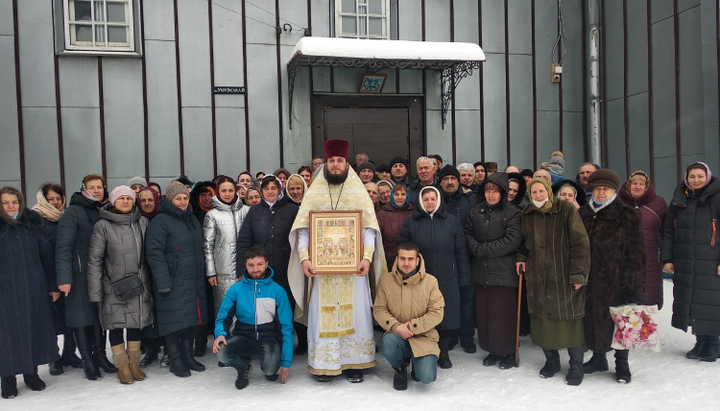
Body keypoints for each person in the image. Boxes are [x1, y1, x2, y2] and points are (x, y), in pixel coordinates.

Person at [288, 139, 384, 383]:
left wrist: (366, 257)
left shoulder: (358, 191)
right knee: (324, 314)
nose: (336, 165)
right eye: (331, 161)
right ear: (326, 163)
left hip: (354, 271)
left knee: (357, 314)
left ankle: (354, 362)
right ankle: (325, 363)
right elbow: (304, 230)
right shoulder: (315, 192)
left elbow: (368, 229)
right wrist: (304, 258)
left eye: (340, 160)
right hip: (322, 271)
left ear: (346, 162)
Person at [516, 177, 590, 386]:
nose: (538, 195)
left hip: (564, 276)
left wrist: (579, 274)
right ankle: (552, 361)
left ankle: (576, 364)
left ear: (549, 191)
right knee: (542, 321)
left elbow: (581, 243)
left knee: (571, 320)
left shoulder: (565, 210)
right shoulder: (526, 214)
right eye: (534, 192)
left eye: (541, 191)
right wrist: (521, 258)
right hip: (538, 277)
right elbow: (523, 242)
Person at [579, 169, 646, 383]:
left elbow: (637, 253)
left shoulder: (627, 214)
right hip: (589, 281)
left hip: (616, 281)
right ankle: (599, 358)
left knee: (620, 323)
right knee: (592, 320)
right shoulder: (583, 213)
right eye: (597, 188)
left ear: (614, 191)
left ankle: (622, 364)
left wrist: (633, 285)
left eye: (605, 189)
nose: (600, 193)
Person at [87, 186, 154, 384]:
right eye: (121, 198)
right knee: (116, 326)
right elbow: (94, 260)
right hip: (113, 285)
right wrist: (95, 291)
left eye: (129, 198)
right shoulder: (103, 225)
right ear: (113, 201)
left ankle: (134, 363)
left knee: (136, 324)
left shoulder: (142, 221)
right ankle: (122, 365)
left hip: (139, 284)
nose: (125, 202)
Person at [398, 186, 471, 369]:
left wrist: (463, 276)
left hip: (447, 277)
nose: (430, 202)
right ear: (421, 202)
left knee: (445, 316)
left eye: (433, 199)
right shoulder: (411, 223)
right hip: (420, 279)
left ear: (438, 201)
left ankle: (443, 352)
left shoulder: (451, 222)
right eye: (426, 199)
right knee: (422, 315)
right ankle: (424, 351)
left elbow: (461, 251)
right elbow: (403, 251)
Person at [56, 174, 117, 380]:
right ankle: (87, 361)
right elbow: (63, 247)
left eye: (100, 187)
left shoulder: (105, 210)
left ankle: (100, 356)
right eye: (92, 187)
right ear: (84, 189)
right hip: (78, 274)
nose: (97, 190)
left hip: (101, 273)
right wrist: (64, 277)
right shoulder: (73, 212)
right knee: (81, 317)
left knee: (99, 317)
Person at [0, 187, 58, 399]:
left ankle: (31, 374)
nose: (10, 206)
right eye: (5, 202)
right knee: (7, 337)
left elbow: (47, 258)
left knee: (33, 331)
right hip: (4, 294)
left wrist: (52, 286)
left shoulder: (33, 226)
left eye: (14, 202)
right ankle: (7, 378)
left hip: (34, 289)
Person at [145, 181, 208, 378]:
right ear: (170, 200)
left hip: (192, 279)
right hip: (172, 280)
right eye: (178, 198)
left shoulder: (191, 219)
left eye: (185, 198)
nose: (182, 202)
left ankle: (188, 356)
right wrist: (163, 280)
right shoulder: (161, 221)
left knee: (191, 319)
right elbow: (154, 253)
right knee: (172, 321)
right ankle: (175, 359)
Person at [236, 175, 302, 354]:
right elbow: (244, 241)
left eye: (274, 187)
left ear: (280, 189)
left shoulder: (292, 209)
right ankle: (264, 345)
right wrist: (242, 271)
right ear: (261, 191)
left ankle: (282, 346)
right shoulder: (254, 212)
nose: (270, 191)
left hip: (286, 268)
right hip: (260, 271)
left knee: (284, 307)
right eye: (266, 188)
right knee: (263, 308)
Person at [662, 161, 720, 361]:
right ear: (687, 178)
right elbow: (669, 231)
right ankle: (700, 341)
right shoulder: (680, 198)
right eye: (692, 176)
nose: (696, 180)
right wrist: (667, 258)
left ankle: (713, 342)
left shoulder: (717, 197)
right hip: (686, 259)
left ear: (708, 176)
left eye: (700, 176)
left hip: (711, 259)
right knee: (693, 300)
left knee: (711, 300)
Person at [213, 247, 293, 389]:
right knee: (220, 351)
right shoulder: (236, 290)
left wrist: (286, 361)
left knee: (270, 372)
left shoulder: (278, 291)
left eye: (259, 264)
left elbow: (287, 327)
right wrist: (220, 334)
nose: (255, 269)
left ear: (266, 264)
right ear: (245, 266)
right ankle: (243, 367)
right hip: (243, 336)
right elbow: (222, 318)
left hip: (268, 337)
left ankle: (271, 360)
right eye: (251, 265)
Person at [465, 173, 523, 369]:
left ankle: (507, 352)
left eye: (495, 192)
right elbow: (468, 232)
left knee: (503, 315)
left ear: (503, 193)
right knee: (486, 314)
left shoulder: (513, 212)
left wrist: (482, 250)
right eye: (488, 191)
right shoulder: (476, 211)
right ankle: (492, 349)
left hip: (503, 274)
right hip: (481, 273)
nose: (491, 195)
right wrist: (475, 247)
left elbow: (512, 240)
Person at [374, 242, 444, 390]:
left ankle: (418, 366)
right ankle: (400, 369)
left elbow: (437, 313)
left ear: (417, 260)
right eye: (403, 258)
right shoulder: (386, 281)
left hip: (424, 337)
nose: (406, 263)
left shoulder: (430, 282)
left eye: (410, 259)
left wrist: (412, 326)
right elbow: (379, 309)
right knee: (388, 342)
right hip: (397, 335)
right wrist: (396, 327)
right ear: (397, 259)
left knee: (426, 377)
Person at [32, 183, 82, 376]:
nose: (55, 202)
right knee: (50, 321)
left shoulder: (67, 218)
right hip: (48, 278)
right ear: (43, 199)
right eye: (51, 199)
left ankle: (70, 353)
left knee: (71, 318)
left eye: (58, 198)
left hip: (69, 276)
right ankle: (54, 358)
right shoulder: (35, 221)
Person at [438, 165, 476, 353]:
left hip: (466, 256)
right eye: (446, 179)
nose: (450, 182)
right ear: (440, 181)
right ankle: (450, 335)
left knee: (466, 299)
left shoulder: (470, 200)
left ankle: (467, 337)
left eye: (453, 178)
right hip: (443, 258)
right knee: (447, 299)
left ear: (458, 180)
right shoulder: (436, 200)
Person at [618, 170, 668, 308]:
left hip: (651, 258)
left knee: (650, 298)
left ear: (647, 187)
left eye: (642, 184)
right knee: (624, 299)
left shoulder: (659, 203)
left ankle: (648, 327)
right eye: (634, 183)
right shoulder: (618, 202)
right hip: (623, 258)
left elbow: (667, 231)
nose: (638, 186)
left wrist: (667, 257)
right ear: (628, 185)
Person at [203, 176, 250, 317]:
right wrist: (211, 272)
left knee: (245, 308)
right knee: (225, 308)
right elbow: (207, 245)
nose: (228, 194)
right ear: (218, 192)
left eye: (231, 190)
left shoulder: (246, 211)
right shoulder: (212, 215)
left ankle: (243, 338)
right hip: (223, 272)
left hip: (245, 270)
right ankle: (224, 338)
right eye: (224, 191)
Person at [135, 187, 165, 368]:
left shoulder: (162, 218)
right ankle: (151, 348)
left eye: (150, 200)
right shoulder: (135, 220)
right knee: (145, 310)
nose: (147, 203)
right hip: (141, 271)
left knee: (162, 309)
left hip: (161, 271)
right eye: (143, 200)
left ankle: (165, 345)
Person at [377, 183, 414, 272]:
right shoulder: (382, 214)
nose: (400, 197)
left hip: (410, 259)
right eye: (396, 194)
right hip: (389, 260)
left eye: (403, 194)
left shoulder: (414, 212)